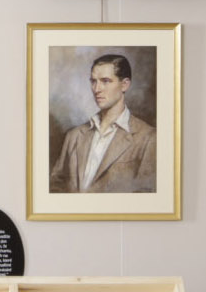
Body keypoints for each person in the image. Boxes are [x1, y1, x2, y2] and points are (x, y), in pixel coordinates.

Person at [50, 54, 156, 194]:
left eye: (105, 81)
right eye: (93, 81)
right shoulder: (73, 136)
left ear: (124, 85)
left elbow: (147, 197)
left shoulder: (148, 138)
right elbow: (55, 186)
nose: (97, 89)